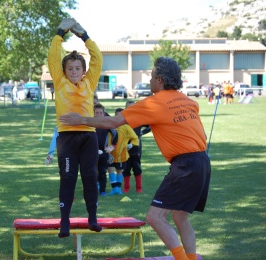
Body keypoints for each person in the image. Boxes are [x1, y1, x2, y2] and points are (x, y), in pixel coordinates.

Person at [59, 57, 211, 260]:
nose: (149, 80)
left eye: (151, 76)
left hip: (185, 165)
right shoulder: (189, 102)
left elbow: (113, 121)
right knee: (180, 217)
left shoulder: (154, 102)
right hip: (203, 162)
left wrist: (82, 120)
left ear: (160, 80)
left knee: (154, 217)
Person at [47, 17, 103, 238]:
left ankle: (92, 219)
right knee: (68, 178)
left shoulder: (89, 81)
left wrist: (84, 36)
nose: (73, 71)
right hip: (67, 138)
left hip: (88, 137)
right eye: (70, 68)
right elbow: (53, 56)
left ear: (83, 70)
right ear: (64, 70)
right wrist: (60, 33)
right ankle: (64, 223)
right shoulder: (59, 82)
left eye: (78, 68)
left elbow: (97, 58)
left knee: (90, 176)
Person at [107, 108, 138, 195]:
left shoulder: (127, 127)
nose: (118, 117)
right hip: (109, 153)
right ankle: (114, 188)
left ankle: (118, 188)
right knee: (110, 169)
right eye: (117, 115)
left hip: (121, 154)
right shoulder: (110, 126)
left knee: (119, 170)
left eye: (120, 115)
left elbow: (135, 138)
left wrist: (131, 145)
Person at [123, 100, 151, 193]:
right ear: (125, 108)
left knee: (137, 167)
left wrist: (141, 132)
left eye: (132, 107)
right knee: (125, 168)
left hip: (136, 146)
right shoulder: (122, 119)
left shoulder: (139, 118)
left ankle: (139, 188)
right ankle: (126, 188)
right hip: (124, 146)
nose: (130, 109)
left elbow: (150, 125)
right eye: (128, 107)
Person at [94, 103, 118, 196]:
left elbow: (115, 134)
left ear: (104, 114)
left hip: (104, 152)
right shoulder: (90, 124)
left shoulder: (107, 124)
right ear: (93, 114)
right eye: (97, 113)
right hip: (92, 152)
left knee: (102, 172)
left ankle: (103, 191)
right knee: (93, 171)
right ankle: (94, 189)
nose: (98, 115)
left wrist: (112, 146)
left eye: (100, 113)